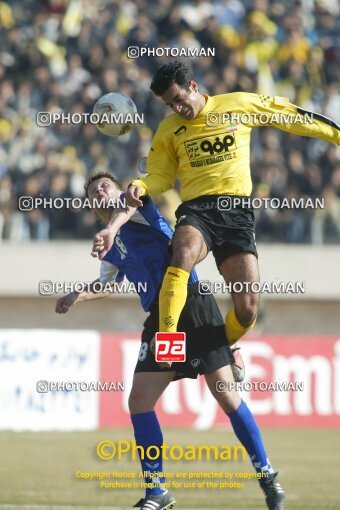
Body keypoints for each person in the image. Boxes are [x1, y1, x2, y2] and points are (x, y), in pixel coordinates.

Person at [56, 171, 285, 510]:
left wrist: (113, 225)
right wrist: (77, 294)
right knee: (139, 401)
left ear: (119, 191)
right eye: (93, 191)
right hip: (159, 318)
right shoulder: (110, 243)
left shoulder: (136, 211)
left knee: (226, 397)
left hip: (191, 303)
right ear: (91, 206)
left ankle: (266, 475)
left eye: (105, 185)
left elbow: (130, 204)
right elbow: (108, 283)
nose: (100, 190)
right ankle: (157, 491)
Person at [115, 61, 339, 349]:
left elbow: (289, 116)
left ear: (193, 86)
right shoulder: (168, 130)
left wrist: (337, 135)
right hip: (197, 211)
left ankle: (221, 350)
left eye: (179, 99)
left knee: (247, 310)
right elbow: (161, 176)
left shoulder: (237, 104)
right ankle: (168, 340)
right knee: (182, 253)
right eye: (171, 105)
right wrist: (142, 185)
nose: (177, 109)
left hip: (237, 215)